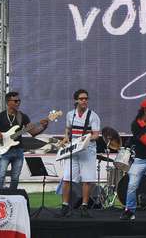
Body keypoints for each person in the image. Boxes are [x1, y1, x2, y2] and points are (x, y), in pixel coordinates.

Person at [0, 92, 49, 189]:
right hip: (4, 151)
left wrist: (43, 126)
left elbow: (33, 132)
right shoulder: (0, 116)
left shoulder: (22, 116)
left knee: (15, 178)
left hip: (18, 151)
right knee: (1, 176)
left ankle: (12, 197)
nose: (18, 103)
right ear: (8, 102)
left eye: (19, 101)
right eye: (15, 101)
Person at [59, 89, 101, 218]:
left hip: (87, 150)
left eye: (86, 98)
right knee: (66, 178)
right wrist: (66, 137)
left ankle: (84, 206)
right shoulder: (70, 114)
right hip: (73, 150)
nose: (84, 101)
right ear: (76, 100)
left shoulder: (93, 116)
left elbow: (96, 135)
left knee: (87, 180)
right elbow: (68, 129)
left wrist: (86, 139)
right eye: (82, 98)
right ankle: (65, 206)